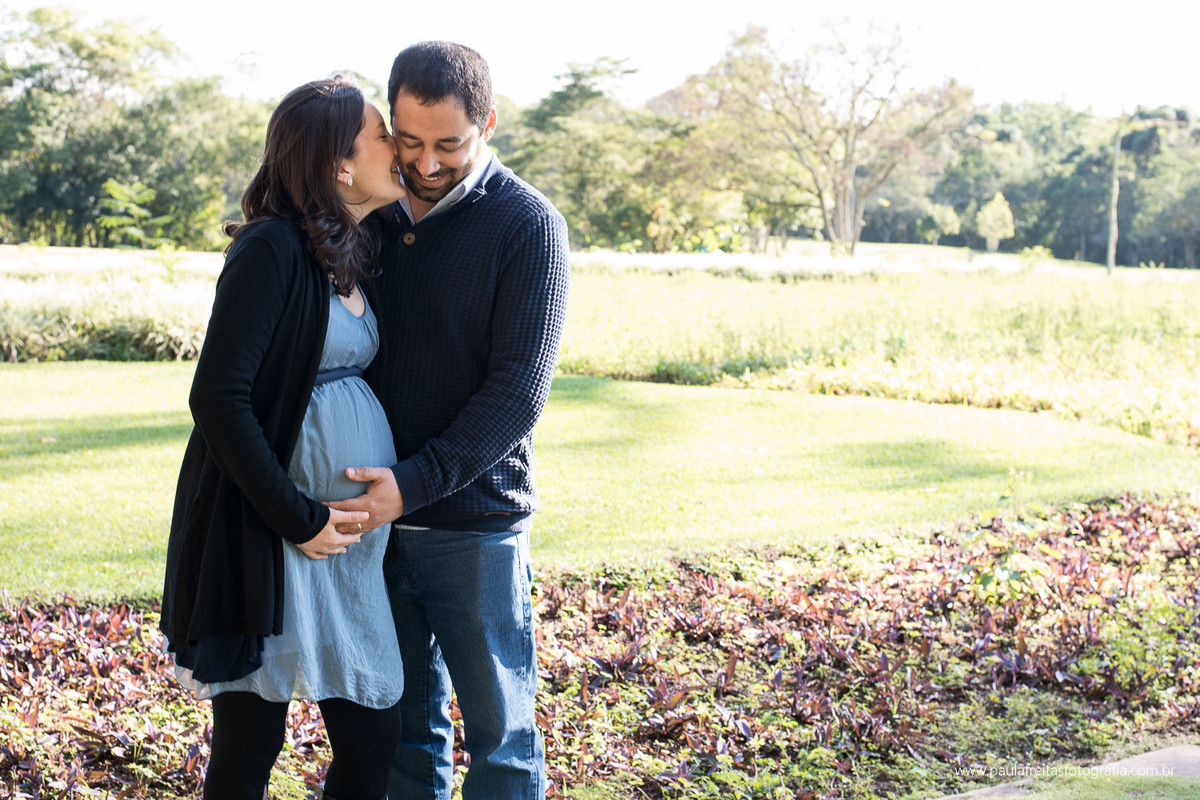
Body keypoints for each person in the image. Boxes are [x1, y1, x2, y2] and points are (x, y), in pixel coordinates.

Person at [326, 41, 570, 799]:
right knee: (402, 741)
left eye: (449, 145)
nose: (426, 163)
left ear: (488, 125)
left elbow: (517, 393)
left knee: (502, 743)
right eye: (408, 140)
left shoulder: (528, 226)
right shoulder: (366, 217)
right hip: (373, 528)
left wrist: (412, 484)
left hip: (476, 529)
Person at [159, 77, 408, 800]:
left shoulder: (353, 245)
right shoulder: (270, 249)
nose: (396, 148)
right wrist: (298, 519)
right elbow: (217, 396)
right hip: (272, 532)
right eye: (382, 136)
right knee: (251, 737)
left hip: (346, 546)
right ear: (337, 162)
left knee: (372, 734)